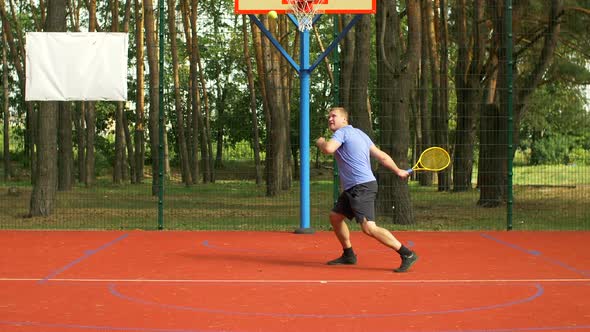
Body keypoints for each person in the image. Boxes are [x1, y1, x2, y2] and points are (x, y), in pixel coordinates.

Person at [315, 107, 418, 273]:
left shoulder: (342, 133)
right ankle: (349, 255)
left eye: (334, 116)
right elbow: (382, 156)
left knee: (369, 227)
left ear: (344, 120)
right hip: (355, 186)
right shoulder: (361, 134)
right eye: (329, 117)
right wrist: (398, 170)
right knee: (335, 217)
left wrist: (320, 142)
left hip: (361, 186)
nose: (330, 119)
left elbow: (328, 149)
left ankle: (407, 253)